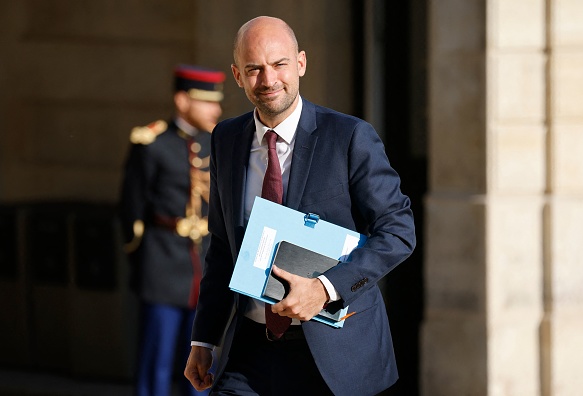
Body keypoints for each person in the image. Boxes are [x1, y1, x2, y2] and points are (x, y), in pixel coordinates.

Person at [184, 16, 416, 396]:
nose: (269, 79)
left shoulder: (350, 137)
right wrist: (204, 340)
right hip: (250, 353)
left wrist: (325, 289)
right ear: (237, 76)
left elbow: (398, 232)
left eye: (279, 64)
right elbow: (223, 246)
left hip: (335, 357)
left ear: (301, 64)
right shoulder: (226, 139)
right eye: (254, 68)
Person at [119, 64, 226, 396]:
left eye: (216, 102)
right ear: (182, 101)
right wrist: (143, 263)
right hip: (162, 267)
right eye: (205, 101)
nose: (216, 109)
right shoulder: (152, 142)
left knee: (202, 369)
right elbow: (130, 209)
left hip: (206, 268)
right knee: (158, 365)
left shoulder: (221, 144)